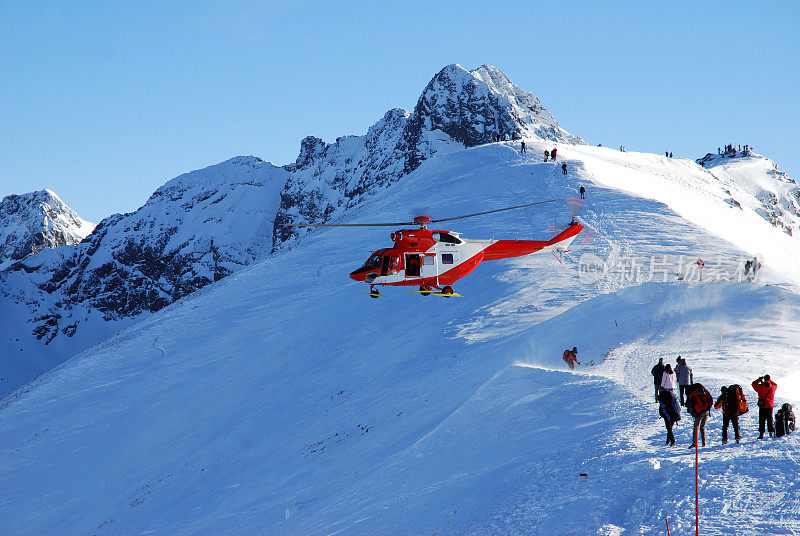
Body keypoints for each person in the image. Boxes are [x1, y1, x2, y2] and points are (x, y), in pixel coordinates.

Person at [687, 383, 712, 447]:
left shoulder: (692, 394)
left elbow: (690, 405)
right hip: (706, 410)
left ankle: (694, 443)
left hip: (699, 412)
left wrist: (693, 413)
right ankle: (704, 443)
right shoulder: (703, 391)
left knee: (696, 427)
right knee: (702, 427)